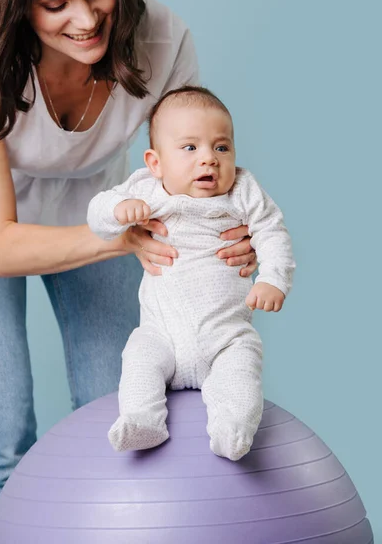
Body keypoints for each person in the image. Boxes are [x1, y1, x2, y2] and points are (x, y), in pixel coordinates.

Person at [0, 0, 257, 537]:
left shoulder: (161, 39)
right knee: (0, 443)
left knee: (123, 415)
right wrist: (120, 239)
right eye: (54, 3)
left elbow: (191, 172)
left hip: (101, 207)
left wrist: (236, 235)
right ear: (15, 3)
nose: (84, 20)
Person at [87, 86, 296, 461]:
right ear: (155, 163)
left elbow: (272, 231)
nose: (209, 160)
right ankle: (142, 420)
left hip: (226, 335)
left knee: (242, 368)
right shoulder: (145, 190)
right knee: (138, 356)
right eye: (190, 148)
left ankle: (233, 428)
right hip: (161, 333)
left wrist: (272, 279)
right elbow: (97, 213)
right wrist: (119, 211)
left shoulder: (243, 190)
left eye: (221, 147)